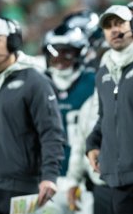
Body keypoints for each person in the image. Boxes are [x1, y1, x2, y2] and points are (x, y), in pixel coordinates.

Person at [85, 5, 133, 214]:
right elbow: (105, 116)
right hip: (117, 178)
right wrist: (92, 144)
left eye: (119, 23)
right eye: (108, 26)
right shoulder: (103, 72)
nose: (113, 30)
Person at [0, 17, 65, 214]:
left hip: (22, 187)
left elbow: (51, 132)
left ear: (13, 42)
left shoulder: (35, 81)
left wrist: (49, 176)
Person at [42, 22, 99, 213]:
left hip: (84, 178)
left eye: (66, 53)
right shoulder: (39, 83)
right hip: (48, 176)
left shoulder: (94, 81)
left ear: (79, 54)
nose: (59, 60)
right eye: (54, 54)